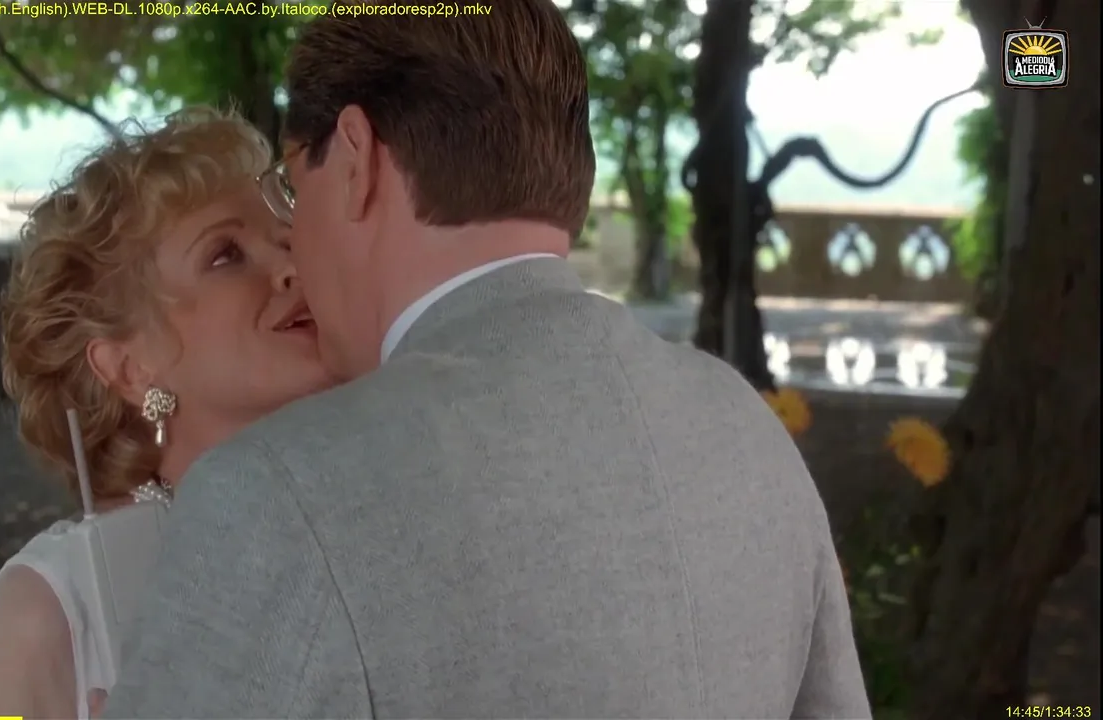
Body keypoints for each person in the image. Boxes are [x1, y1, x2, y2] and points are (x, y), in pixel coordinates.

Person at [105, 1, 872, 718]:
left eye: (291, 189)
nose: (294, 248)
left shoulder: (275, 493)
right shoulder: (744, 428)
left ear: (355, 159)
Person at [0, 107, 335, 720]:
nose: (293, 269)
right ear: (128, 367)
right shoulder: (53, 611)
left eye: (287, 237)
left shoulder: (360, 522)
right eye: (226, 255)